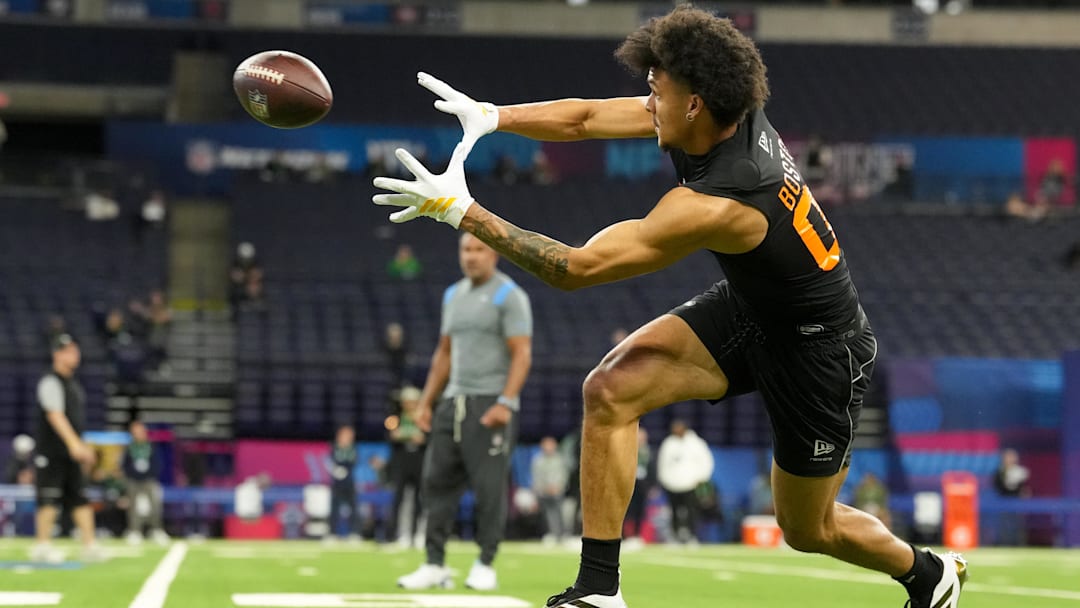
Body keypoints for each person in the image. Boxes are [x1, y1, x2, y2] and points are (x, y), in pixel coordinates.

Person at [370, 7, 967, 607]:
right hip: (753, 308)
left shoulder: (723, 199)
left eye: (657, 90)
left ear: (695, 104)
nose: (646, 100)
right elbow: (584, 119)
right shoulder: (714, 115)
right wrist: (491, 116)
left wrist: (460, 212)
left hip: (817, 348)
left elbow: (579, 269)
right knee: (609, 390)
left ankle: (924, 572)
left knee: (809, 529)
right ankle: (599, 589)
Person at [396, 233, 533, 592]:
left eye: (479, 250)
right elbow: (443, 353)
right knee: (435, 485)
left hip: (490, 404)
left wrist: (506, 401)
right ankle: (433, 564)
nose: (471, 257)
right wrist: (426, 403)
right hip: (451, 403)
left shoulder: (509, 295)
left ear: (495, 255)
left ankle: (485, 563)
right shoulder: (452, 295)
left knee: (489, 491)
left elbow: (522, 353)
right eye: (466, 250)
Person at [31, 333, 104, 563]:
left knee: (79, 496)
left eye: (75, 350)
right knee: (49, 498)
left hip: (71, 453)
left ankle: (90, 544)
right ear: (57, 354)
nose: (74, 355)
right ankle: (42, 545)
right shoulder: (50, 381)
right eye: (67, 351)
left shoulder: (73, 385)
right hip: (52, 452)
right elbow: (55, 415)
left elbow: (75, 420)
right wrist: (74, 444)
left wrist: (82, 445)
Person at [656, 419, 713, 544]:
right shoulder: (668, 444)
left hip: (691, 485)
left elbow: (706, 461)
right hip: (672, 485)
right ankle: (675, 537)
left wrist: (701, 479)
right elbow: (662, 464)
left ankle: (692, 536)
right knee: (674, 511)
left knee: (692, 511)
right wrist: (665, 481)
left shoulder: (696, 443)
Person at [386, 386, 427, 548]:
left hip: (419, 462)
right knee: (398, 500)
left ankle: (416, 535)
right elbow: (391, 436)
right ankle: (395, 536)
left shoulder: (424, 417)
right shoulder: (395, 418)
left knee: (420, 501)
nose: (410, 405)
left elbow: (430, 437)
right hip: (401, 463)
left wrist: (422, 439)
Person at [122, 420, 169, 545]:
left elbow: (157, 463)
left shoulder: (151, 446)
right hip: (133, 480)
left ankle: (157, 530)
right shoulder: (129, 448)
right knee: (133, 507)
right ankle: (135, 531)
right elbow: (125, 465)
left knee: (155, 505)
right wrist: (133, 475)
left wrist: (148, 474)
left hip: (149, 480)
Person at [531, 435, 569, 545]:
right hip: (543, 492)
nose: (548, 447)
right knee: (547, 513)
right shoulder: (538, 460)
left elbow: (563, 475)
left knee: (559, 512)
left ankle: (562, 534)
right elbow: (536, 477)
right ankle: (551, 534)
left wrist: (557, 487)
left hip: (558, 491)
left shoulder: (560, 459)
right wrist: (543, 488)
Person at [327, 424, 361, 541]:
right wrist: (335, 469)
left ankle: (354, 533)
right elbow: (330, 461)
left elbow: (354, 460)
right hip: (337, 483)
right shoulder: (334, 447)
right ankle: (332, 533)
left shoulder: (353, 448)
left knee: (353, 507)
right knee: (334, 508)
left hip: (349, 482)